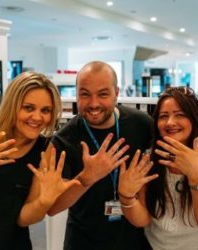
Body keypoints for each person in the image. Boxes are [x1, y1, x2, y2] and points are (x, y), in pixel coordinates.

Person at [0, 71, 78, 250]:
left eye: (45, 110)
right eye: (28, 108)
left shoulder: (46, 150)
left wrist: (44, 201)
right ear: (12, 105)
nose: (37, 117)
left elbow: (23, 219)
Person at [48, 61, 153, 250]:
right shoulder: (64, 140)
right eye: (85, 94)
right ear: (77, 94)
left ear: (116, 93)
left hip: (134, 241)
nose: (94, 103)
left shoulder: (142, 124)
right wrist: (85, 179)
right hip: (83, 242)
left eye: (103, 94)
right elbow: (53, 206)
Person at [118, 86, 198, 250]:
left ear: (194, 119)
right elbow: (143, 219)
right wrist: (126, 196)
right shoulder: (149, 160)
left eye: (180, 115)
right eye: (163, 116)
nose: (170, 123)